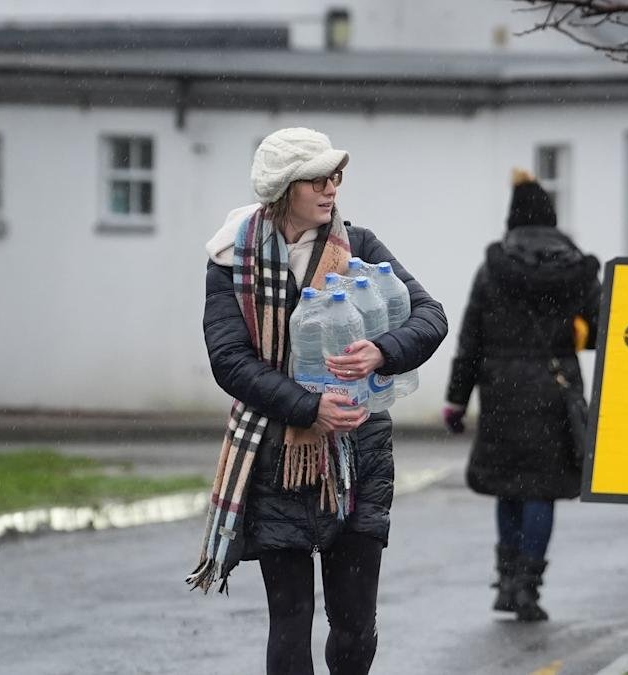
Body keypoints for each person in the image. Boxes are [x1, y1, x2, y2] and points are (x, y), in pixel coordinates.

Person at [188, 127, 447, 675]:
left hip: (359, 453)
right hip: (278, 454)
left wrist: (381, 350)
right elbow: (229, 360)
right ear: (285, 189)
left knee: (354, 625)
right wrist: (308, 408)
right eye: (318, 179)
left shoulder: (361, 247)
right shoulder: (232, 259)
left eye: (336, 177)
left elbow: (431, 317)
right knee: (291, 619)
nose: (331, 189)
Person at [442, 168, 601, 622]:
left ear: (513, 220)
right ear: (552, 219)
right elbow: (599, 332)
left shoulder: (493, 269)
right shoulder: (577, 269)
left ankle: (507, 582)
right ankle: (529, 587)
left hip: (503, 391)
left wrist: (456, 400)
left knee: (507, 487)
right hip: (555, 392)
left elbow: (470, 340)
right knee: (541, 492)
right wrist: (575, 332)